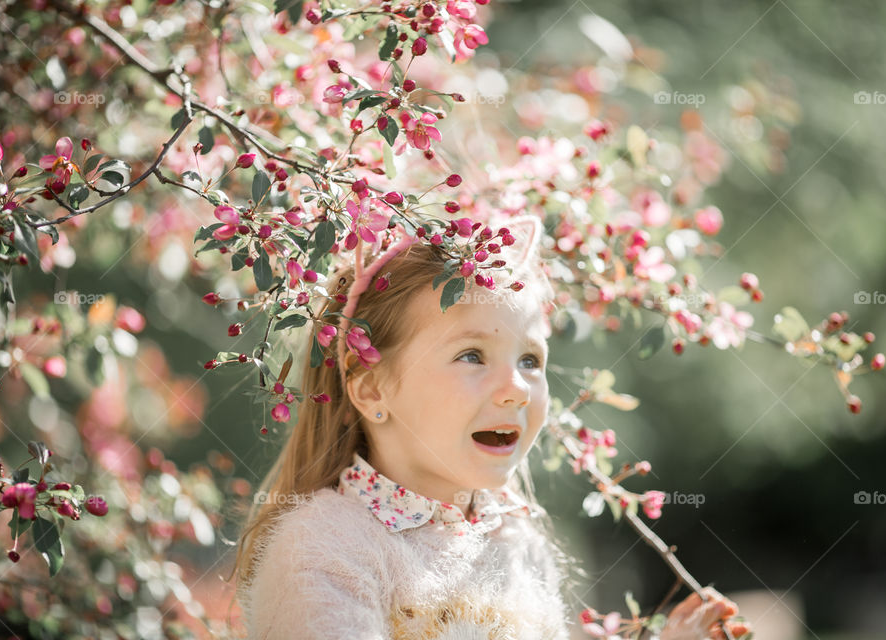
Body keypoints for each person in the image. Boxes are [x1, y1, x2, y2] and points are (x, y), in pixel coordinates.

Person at [231, 215, 750, 639]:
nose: (518, 388)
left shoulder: (517, 542)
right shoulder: (325, 547)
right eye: (472, 354)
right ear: (370, 389)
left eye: (530, 360)